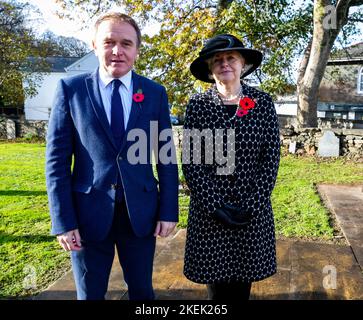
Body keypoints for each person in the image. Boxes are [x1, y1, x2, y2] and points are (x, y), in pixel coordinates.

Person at [45, 12, 179, 300]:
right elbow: (56, 162)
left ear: (137, 50)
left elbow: (166, 156)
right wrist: (63, 221)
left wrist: (169, 210)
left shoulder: (154, 93)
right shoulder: (71, 90)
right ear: (94, 45)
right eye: (109, 42)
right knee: (90, 294)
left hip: (140, 216)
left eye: (126, 43)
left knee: (142, 292)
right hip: (86, 216)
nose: (117, 51)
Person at [182, 34, 280, 300]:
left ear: (243, 63)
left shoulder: (262, 104)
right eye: (217, 60)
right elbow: (191, 163)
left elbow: (270, 159)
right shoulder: (198, 106)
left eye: (231, 58)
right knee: (216, 289)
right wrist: (215, 205)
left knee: (242, 285)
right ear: (210, 68)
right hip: (210, 214)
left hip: (251, 210)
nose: (225, 64)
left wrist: (253, 202)